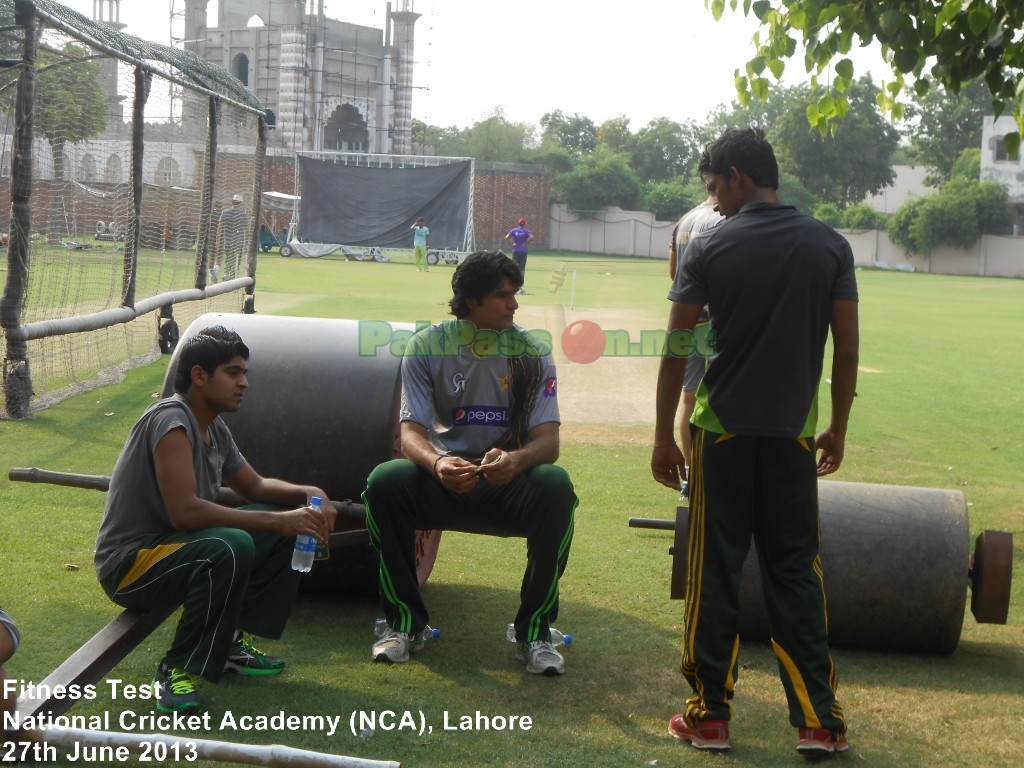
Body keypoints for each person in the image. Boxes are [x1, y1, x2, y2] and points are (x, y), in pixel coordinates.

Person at [651, 127, 859, 756]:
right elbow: (846, 349)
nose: (712, 202)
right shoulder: (830, 244)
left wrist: (664, 433)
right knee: (796, 571)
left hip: (722, 434)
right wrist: (838, 427)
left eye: (715, 187)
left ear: (739, 177)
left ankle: (709, 715)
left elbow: (677, 347)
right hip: (794, 436)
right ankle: (819, 723)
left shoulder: (710, 247)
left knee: (714, 571)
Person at [94, 326, 336, 715]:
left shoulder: (213, 427)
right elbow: (185, 512)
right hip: (131, 566)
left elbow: (255, 487)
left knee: (284, 523)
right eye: (233, 372)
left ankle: (228, 644)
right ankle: (175, 670)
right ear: (199, 375)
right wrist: (279, 523)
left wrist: (308, 494)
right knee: (234, 543)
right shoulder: (171, 421)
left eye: (245, 373)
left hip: (179, 550)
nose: (244, 383)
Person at [362, 251, 578, 675]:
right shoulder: (427, 347)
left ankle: (534, 633)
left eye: (515, 295)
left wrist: (515, 461)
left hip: (507, 484)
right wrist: (440, 464)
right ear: (470, 301)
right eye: (503, 296)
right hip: (447, 481)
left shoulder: (531, 352)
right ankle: (404, 624)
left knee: (556, 485)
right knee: (385, 481)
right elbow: (411, 435)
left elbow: (548, 443)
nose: (514, 305)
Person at [667, 191, 722, 500]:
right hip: (716, 322)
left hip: (688, 320)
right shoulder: (723, 218)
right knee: (716, 399)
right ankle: (712, 473)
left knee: (687, 399)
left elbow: (674, 274)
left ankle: (690, 475)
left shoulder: (684, 220)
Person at [213, 194, 248, 281]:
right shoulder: (243, 215)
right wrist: (248, 240)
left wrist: (217, 240)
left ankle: (228, 273)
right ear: (241, 203)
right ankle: (229, 274)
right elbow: (247, 230)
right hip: (239, 240)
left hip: (228, 240)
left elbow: (220, 227)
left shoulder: (225, 212)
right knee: (236, 258)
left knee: (229, 257)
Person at [504, 217, 534, 295]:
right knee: (522, 268)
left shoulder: (514, 230)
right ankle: (520, 284)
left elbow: (506, 237)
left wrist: (512, 244)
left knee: (514, 267)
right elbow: (532, 237)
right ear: (525, 223)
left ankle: (513, 283)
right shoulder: (527, 231)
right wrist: (526, 243)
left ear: (518, 223)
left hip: (516, 250)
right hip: (523, 251)